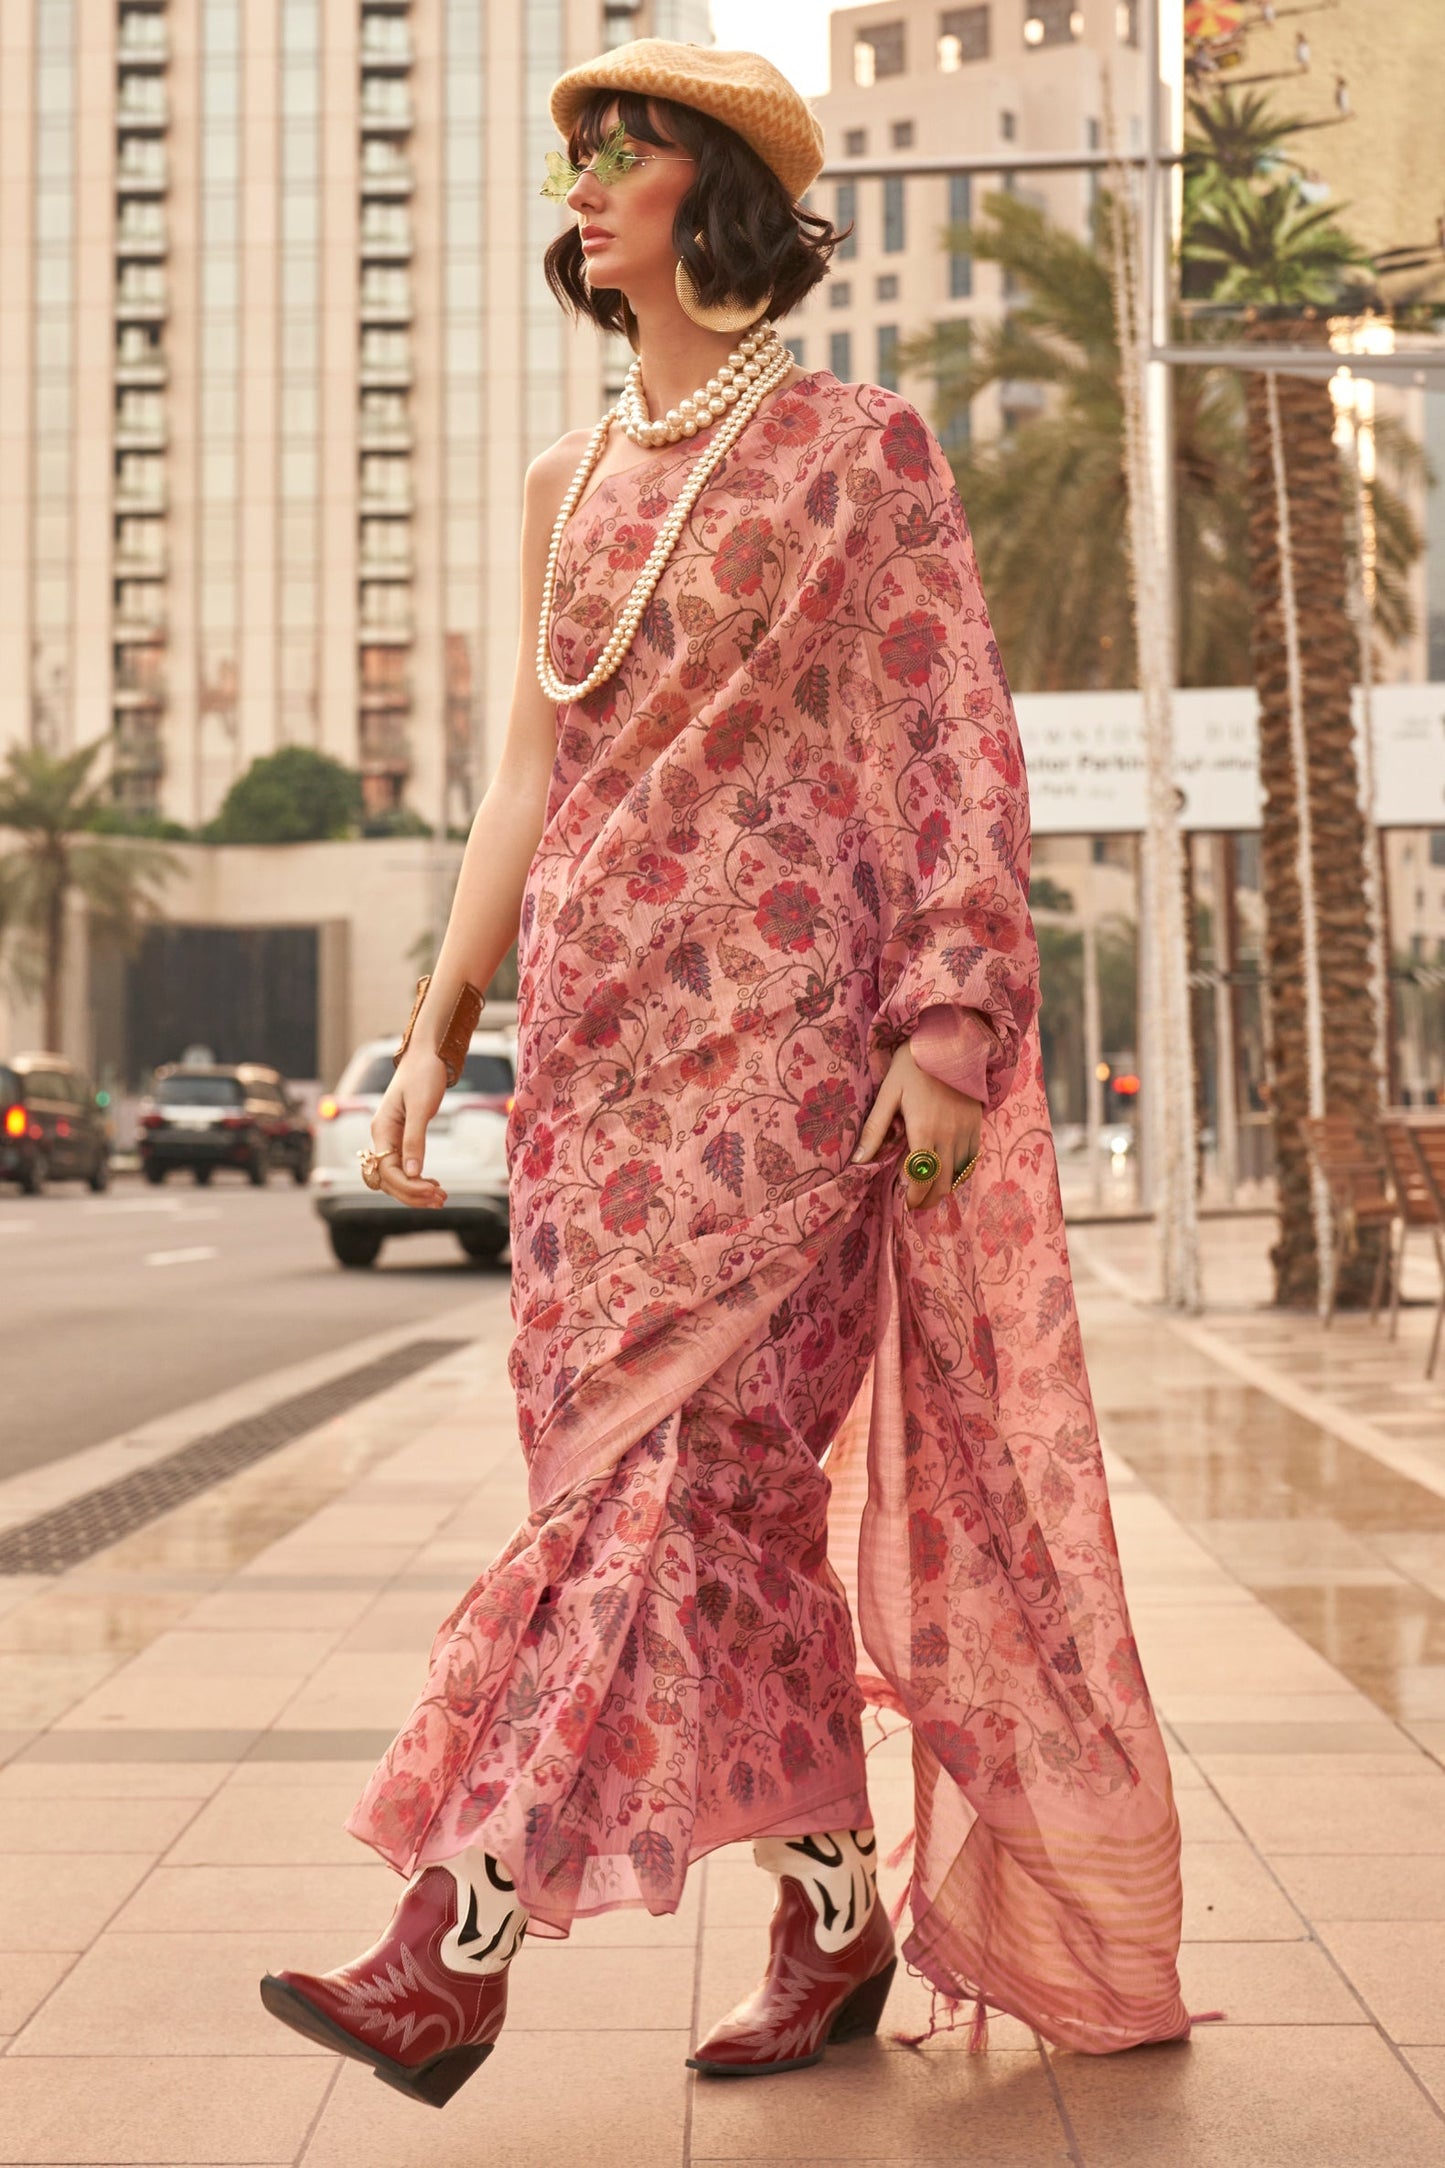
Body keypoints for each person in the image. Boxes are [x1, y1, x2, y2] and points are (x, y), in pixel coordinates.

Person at [260, 40, 1188, 2108]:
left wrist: (951, 1022)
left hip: (790, 1063)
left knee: (664, 1482)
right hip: (597, 1076)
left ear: (726, 193)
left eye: (629, 153)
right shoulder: (564, 484)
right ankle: (836, 1910)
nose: (588, 188)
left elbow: (950, 738)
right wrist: (434, 1031)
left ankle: (453, 1941)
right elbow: (527, 780)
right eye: (577, 162)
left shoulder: (863, 449)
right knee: (716, 1513)